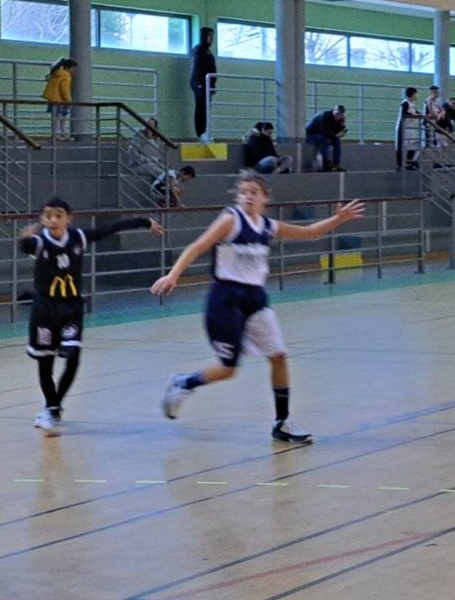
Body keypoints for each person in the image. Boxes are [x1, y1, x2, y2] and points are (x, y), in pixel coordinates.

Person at [153, 172, 363, 443]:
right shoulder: (231, 220)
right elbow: (198, 246)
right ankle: (184, 383)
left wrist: (339, 219)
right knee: (228, 369)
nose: (248, 196)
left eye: (254, 192)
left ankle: (282, 422)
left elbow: (310, 232)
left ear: (265, 198)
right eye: (243, 192)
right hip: (226, 300)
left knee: (278, 356)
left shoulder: (267, 226)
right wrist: (173, 275)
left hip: (255, 299)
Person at [18, 199, 163, 434]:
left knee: (73, 356)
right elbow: (24, 245)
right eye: (48, 216)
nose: (53, 220)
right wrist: (24, 236)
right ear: (43, 219)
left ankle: (53, 408)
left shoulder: (78, 238)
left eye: (58, 215)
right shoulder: (40, 242)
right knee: (45, 363)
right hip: (44, 310)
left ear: (69, 218)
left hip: (71, 309)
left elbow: (110, 228)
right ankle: (52, 407)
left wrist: (144, 222)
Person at [190, 26, 217, 140]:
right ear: (204, 36)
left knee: (206, 109)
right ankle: (200, 133)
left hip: (207, 84)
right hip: (200, 84)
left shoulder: (208, 51)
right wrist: (199, 84)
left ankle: (204, 133)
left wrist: (212, 84)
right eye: (209, 36)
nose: (211, 38)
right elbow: (197, 69)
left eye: (212, 36)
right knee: (201, 109)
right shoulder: (199, 50)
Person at [42, 58, 76, 142]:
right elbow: (64, 89)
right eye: (73, 69)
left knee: (56, 118)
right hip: (60, 100)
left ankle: (56, 135)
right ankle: (62, 134)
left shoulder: (55, 74)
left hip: (53, 99)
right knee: (62, 118)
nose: (74, 71)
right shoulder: (66, 75)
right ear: (68, 68)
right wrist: (69, 101)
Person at [304, 105, 346, 172]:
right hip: (309, 135)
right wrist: (336, 135)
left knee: (337, 141)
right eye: (337, 114)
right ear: (333, 111)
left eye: (340, 115)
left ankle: (336, 165)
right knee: (325, 140)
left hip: (322, 135)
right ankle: (325, 164)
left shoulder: (340, 119)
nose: (338, 116)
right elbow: (324, 132)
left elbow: (343, 132)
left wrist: (342, 125)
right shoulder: (325, 116)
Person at [395, 87, 421, 170]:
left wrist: (422, 115)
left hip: (411, 128)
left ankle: (409, 163)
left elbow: (416, 112)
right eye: (416, 94)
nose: (417, 96)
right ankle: (399, 165)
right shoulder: (405, 103)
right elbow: (404, 114)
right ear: (413, 94)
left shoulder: (412, 104)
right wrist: (414, 115)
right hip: (403, 127)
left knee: (412, 146)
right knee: (400, 146)